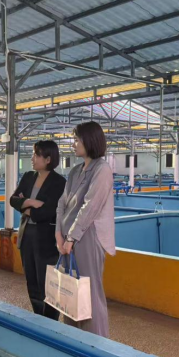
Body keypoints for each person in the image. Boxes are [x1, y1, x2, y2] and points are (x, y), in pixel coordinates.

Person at [56, 121, 115, 338]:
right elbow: (62, 203)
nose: (73, 144)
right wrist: (58, 234)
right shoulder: (75, 171)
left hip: (87, 237)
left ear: (89, 141)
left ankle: (97, 343)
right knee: (70, 289)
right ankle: (73, 338)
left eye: (76, 140)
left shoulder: (102, 170)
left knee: (89, 292)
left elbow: (90, 207)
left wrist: (71, 238)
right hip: (67, 239)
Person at [10, 141, 66, 320]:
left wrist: (25, 206)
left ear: (48, 159)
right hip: (27, 235)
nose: (32, 158)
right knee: (32, 280)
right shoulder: (28, 176)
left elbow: (49, 211)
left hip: (46, 239)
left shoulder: (59, 182)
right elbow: (13, 200)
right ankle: (38, 317)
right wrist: (32, 202)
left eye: (36, 155)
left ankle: (50, 321)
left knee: (47, 282)